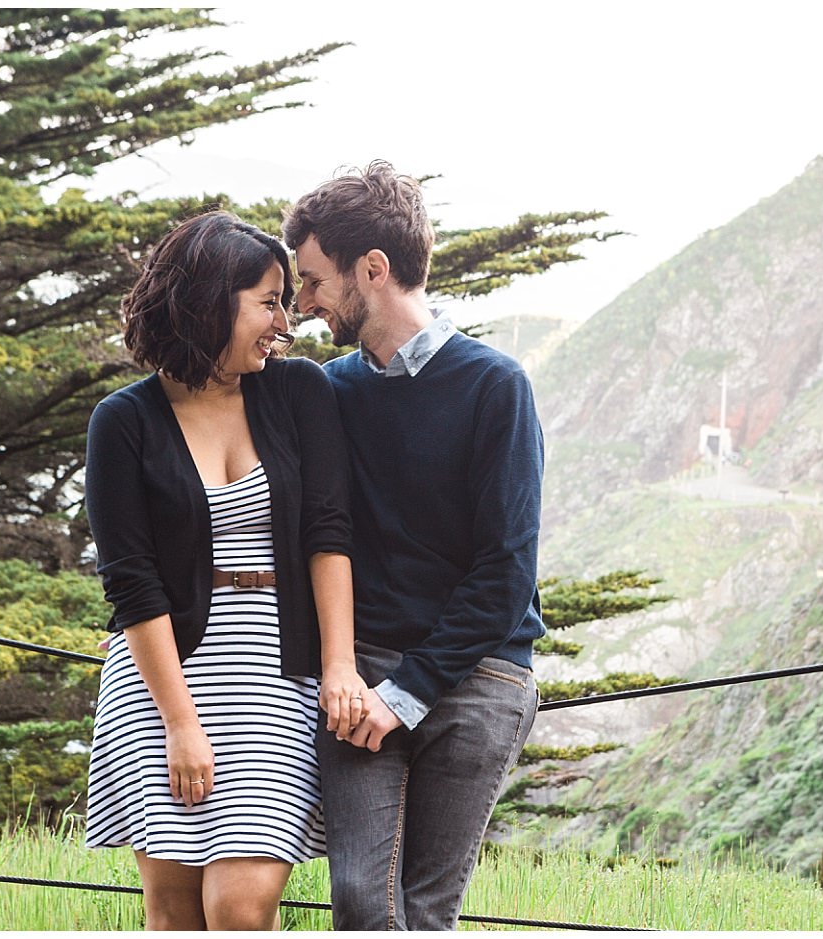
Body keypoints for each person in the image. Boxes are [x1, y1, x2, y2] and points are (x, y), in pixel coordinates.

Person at [82, 210, 368, 930]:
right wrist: (180, 722)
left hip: (275, 668)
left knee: (239, 905)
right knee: (174, 911)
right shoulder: (122, 422)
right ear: (210, 301)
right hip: (162, 678)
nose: (286, 320)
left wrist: (339, 664)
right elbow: (132, 582)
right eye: (268, 301)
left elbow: (328, 533)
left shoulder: (300, 392)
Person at [282, 162, 545, 930]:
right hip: (358, 673)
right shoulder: (326, 391)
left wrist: (408, 694)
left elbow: (506, 572)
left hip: (481, 672)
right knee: (362, 902)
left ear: (374, 269)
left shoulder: (496, 386)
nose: (302, 306)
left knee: (426, 911)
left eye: (312, 281)